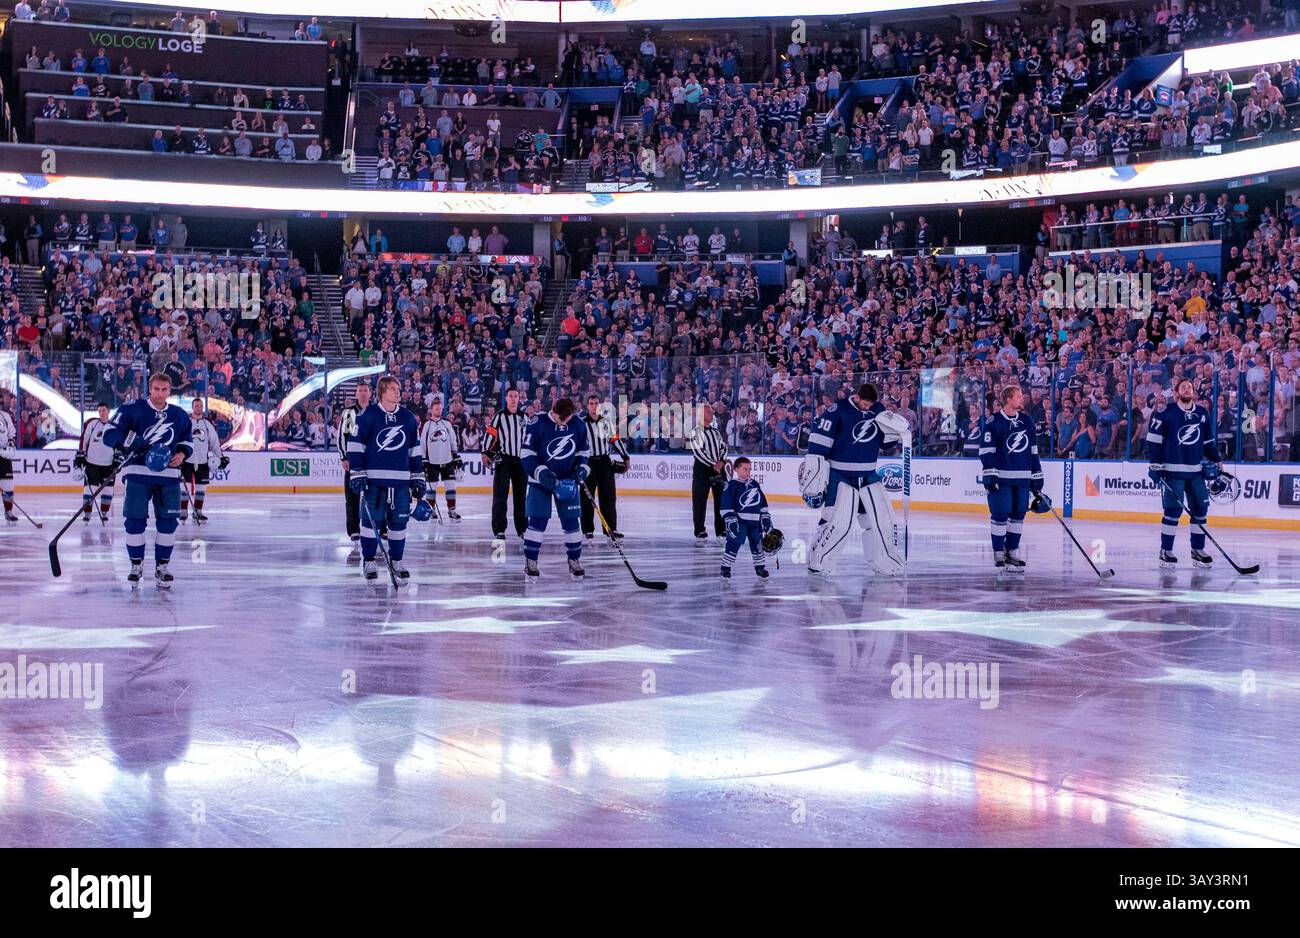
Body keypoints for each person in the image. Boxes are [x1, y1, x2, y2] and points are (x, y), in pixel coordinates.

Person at [800, 382, 910, 576]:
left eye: (870, 405)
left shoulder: (878, 410)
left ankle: (882, 559)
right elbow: (819, 440)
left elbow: (885, 444)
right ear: (857, 397)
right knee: (834, 519)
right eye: (865, 404)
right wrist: (815, 466)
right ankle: (818, 560)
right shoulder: (838, 409)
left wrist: (896, 433)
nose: (868, 408)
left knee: (878, 520)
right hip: (839, 474)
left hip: (868, 474)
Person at [102, 373, 193, 587]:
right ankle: (136, 565)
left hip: (169, 477)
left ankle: (162, 567)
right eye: (156, 389)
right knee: (134, 521)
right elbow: (109, 435)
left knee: (168, 522)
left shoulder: (179, 415)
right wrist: (133, 442)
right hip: (137, 474)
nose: (160, 394)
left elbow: (187, 442)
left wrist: (181, 454)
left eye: (164, 390)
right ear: (149, 390)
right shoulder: (132, 409)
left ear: (170, 391)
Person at [346, 375, 423, 583]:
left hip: (400, 484)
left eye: (398, 388)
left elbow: (414, 450)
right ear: (382, 392)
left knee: (399, 523)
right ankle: (369, 560)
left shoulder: (407, 418)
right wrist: (358, 472)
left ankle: (397, 560)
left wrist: (417, 477)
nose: (398, 392)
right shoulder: (366, 416)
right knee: (370, 523)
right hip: (374, 482)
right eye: (392, 389)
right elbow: (354, 446)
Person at [1147, 377, 1219, 568]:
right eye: (1183, 387)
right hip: (1172, 471)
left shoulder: (1203, 413)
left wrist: (1217, 460)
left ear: (1194, 392)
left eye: (1190, 387)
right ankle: (1166, 551)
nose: (1187, 389)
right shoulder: (1166, 412)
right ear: (1177, 392)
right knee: (1172, 511)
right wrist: (1155, 465)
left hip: (1196, 472)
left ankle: (1198, 550)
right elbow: (1153, 440)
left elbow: (1207, 442)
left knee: (1200, 511)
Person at [520, 397, 590, 578]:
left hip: (567, 481)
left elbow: (584, 452)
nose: (565, 421)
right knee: (537, 521)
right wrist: (541, 473)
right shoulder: (537, 422)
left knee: (572, 522)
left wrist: (581, 469)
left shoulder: (578, 424)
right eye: (561, 418)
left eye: (568, 418)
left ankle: (574, 560)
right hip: (540, 482)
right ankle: (531, 561)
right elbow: (526, 454)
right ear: (553, 410)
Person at [978, 384, 1044, 571]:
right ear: (1008, 399)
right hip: (1002, 479)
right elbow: (986, 451)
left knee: (1018, 515)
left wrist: (1037, 474)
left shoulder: (1026, 421)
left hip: (1022, 479)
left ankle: (1012, 552)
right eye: (1018, 396)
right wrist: (989, 472)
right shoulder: (994, 422)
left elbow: (1033, 450)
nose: (1021, 399)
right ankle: (999, 552)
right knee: (1000, 513)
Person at [579, 393, 629, 540]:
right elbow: (575, 444)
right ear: (587, 406)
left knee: (608, 498)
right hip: (588, 464)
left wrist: (625, 457)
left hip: (605, 463)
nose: (594, 406)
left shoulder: (606, 423)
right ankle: (587, 529)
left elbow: (615, 440)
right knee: (586, 499)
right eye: (591, 403)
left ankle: (610, 529)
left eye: (596, 403)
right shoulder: (581, 424)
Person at [484, 386, 528, 545]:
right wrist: (486, 452)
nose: (514, 399)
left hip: (521, 461)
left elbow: (529, 438)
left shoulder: (525, 417)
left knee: (521, 497)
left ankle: (522, 529)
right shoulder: (499, 416)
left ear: (519, 398)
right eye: (511, 396)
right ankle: (499, 529)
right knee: (500, 496)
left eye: (516, 396)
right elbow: (490, 434)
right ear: (506, 398)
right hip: (504, 461)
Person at [719, 457, 772, 579]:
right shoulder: (732, 485)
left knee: (757, 544)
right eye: (745, 469)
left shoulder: (754, 484)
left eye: (749, 469)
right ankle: (725, 568)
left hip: (755, 521)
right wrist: (730, 519)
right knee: (733, 543)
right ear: (736, 469)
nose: (748, 472)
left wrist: (764, 515)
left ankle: (760, 568)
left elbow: (762, 501)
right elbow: (726, 503)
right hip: (740, 521)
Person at [180, 399, 226, 523]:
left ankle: (198, 511)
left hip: (203, 461)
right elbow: (180, 439)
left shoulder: (207, 424)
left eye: (200, 406)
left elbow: (214, 442)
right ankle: (183, 511)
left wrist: (220, 457)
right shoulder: (186, 423)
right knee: (184, 488)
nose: (199, 408)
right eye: (196, 406)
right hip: (187, 461)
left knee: (201, 488)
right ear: (192, 407)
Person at [688, 403, 728, 541]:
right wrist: (714, 464)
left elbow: (724, 447)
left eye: (712, 412)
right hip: (702, 470)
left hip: (719, 468)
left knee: (722, 500)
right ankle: (699, 530)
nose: (712, 414)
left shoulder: (715, 431)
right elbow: (699, 452)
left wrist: (721, 462)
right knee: (700, 500)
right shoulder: (695, 431)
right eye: (709, 412)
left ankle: (721, 529)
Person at [337, 381, 371, 542]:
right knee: (351, 497)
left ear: (370, 393)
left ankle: (380, 526)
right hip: (354, 461)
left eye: (366, 390)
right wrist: (344, 456)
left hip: (372, 461)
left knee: (378, 494)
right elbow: (343, 436)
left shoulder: (376, 411)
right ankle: (354, 530)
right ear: (356, 394)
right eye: (360, 391)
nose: (363, 393)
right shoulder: (349, 413)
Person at [419, 397, 463, 522]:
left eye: (440, 409)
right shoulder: (427, 425)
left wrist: (456, 456)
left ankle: (452, 510)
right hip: (431, 461)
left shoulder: (447, 423)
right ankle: (431, 510)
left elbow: (453, 440)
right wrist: (424, 460)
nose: (439, 410)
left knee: (451, 486)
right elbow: (422, 442)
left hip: (447, 460)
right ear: (431, 410)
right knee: (431, 487)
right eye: (436, 408)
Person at [74, 401, 117, 522]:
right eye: (99, 411)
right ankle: (87, 514)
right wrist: (81, 455)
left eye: (103, 410)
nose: (101, 413)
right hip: (92, 463)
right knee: (89, 490)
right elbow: (84, 440)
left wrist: (118, 458)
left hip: (108, 464)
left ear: (108, 411)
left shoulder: (115, 426)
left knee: (108, 490)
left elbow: (118, 443)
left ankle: (104, 513)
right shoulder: (92, 424)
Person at [0, 399, 16, 522]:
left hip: (4, 456)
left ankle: (8, 511)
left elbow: (12, 434)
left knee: (8, 484)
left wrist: (11, 443)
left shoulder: (5, 416)